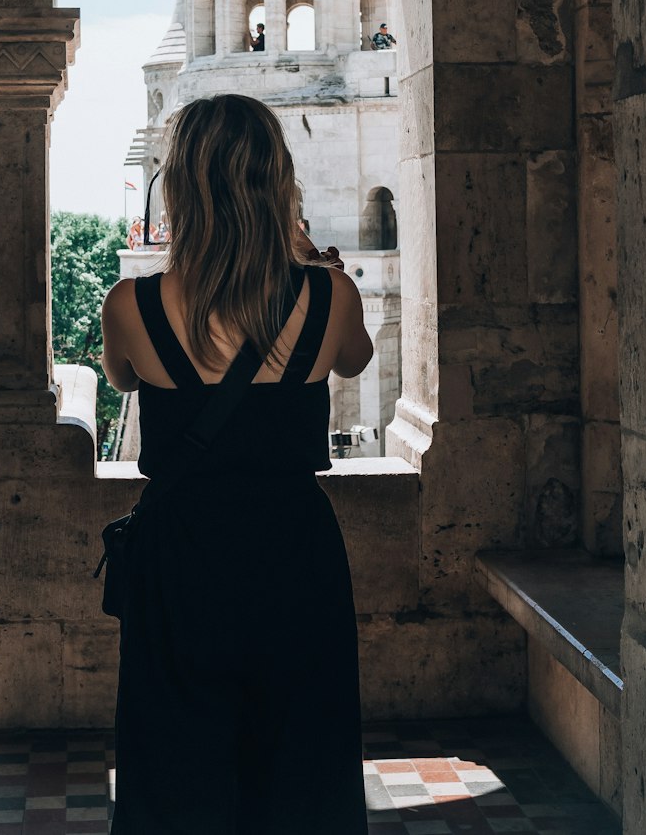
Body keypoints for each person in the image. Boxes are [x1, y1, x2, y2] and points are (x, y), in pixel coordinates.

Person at [101, 93, 373, 834]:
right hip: (293, 545)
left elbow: (124, 378)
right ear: (277, 181)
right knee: (301, 754)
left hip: (181, 551)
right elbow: (356, 359)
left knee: (175, 758)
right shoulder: (330, 295)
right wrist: (314, 266)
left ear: (182, 185)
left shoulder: (130, 303)